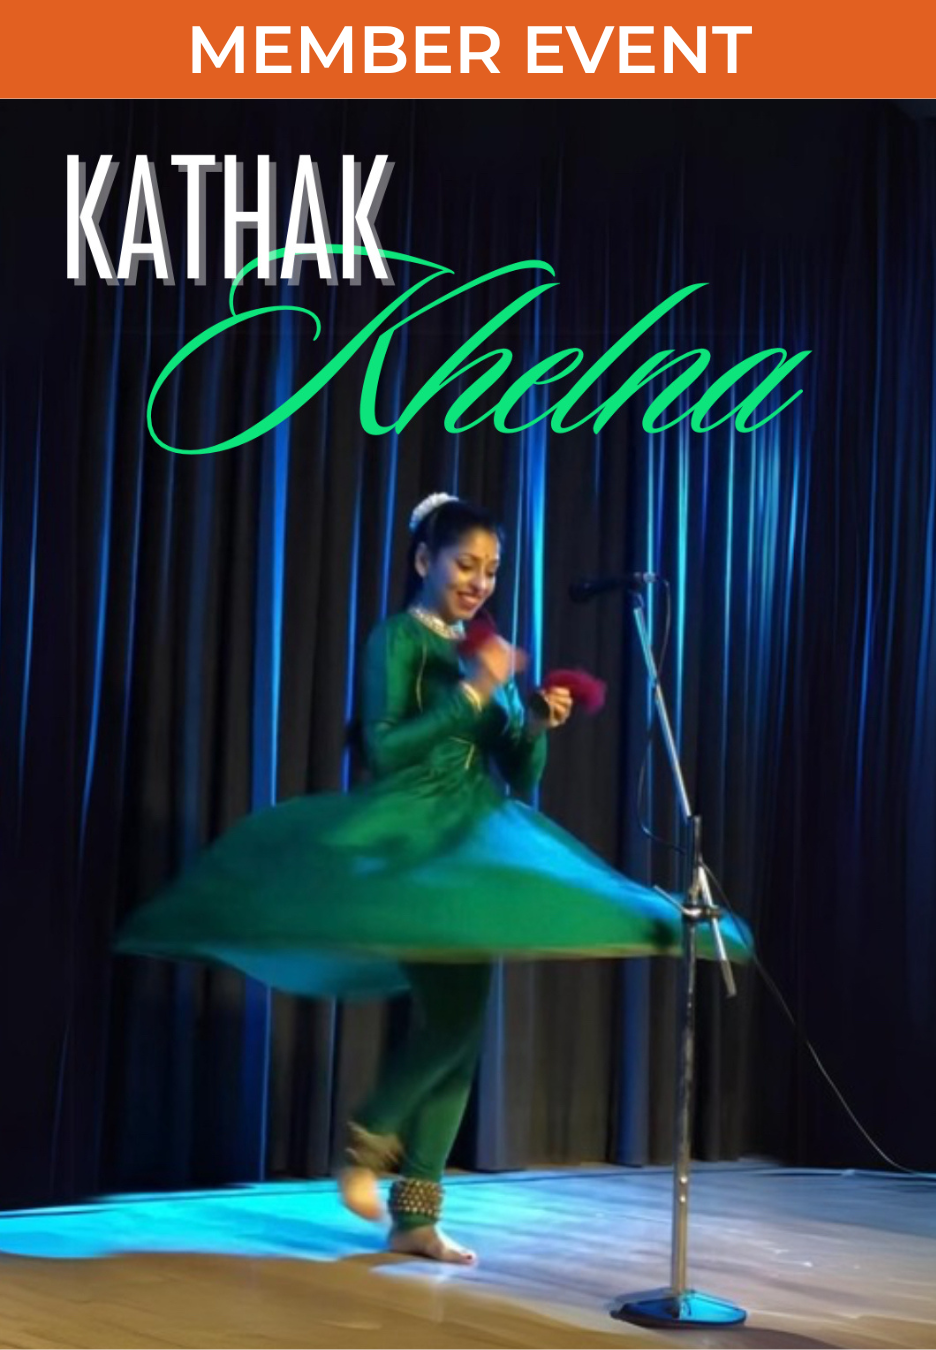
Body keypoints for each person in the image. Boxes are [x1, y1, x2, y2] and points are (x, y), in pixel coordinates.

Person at [117, 491, 749, 1264]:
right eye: (465, 564)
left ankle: (417, 1214)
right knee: (450, 1026)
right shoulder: (399, 640)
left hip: (475, 836)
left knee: (460, 1031)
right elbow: (386, 750)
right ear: (425, 561)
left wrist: (537, 723)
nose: (479, 581)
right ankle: (367, 1140)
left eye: (491, 569)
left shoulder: (477, 647)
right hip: (409, 839)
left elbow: (519, 769)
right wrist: (476, 691)